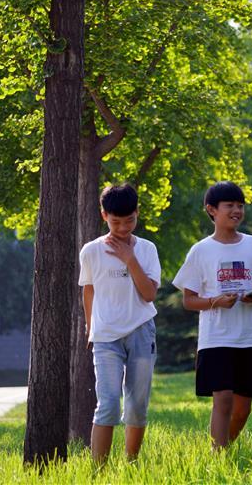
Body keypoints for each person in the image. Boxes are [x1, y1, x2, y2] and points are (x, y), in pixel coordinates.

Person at [173, 181, 252, 449]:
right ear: (212, 209)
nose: (236, 211)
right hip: (216, 337)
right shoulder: (201, 250)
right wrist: (215, 302)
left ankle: (223, 449)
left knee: (242, 409)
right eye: (229, 205)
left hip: (250, 336)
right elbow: (189, 300)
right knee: (223, 399)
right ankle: (217, 457)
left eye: (240, 206)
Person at [79, 183, 160, 464]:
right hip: (105, 337)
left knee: (137, 405)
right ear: (104, 216)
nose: (124, 228)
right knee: (109, 404)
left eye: (129, 220)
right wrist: (89, 328)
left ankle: (131, 464)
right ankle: (98, 472)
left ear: (137, 212)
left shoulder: (147, 249)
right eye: (116, 222)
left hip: (141, 331)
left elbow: (149, 294)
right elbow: (88, 291)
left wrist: (130, 259)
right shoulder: (91, 251)